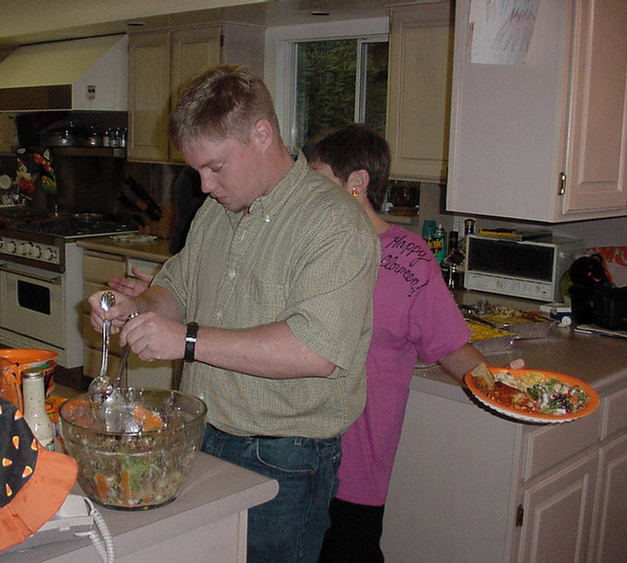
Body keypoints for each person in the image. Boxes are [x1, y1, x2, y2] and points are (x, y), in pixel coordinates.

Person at [89, 65, 378, 563]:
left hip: (284, 456)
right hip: (202, 434)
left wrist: (186, 340)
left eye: (216, 167)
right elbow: (177, 288)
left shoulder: (334, 223)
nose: (204, 184)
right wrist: (138, 309)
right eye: (198, 169)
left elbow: (313, 351)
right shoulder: (219, 211)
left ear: (262, 135)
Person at [302, 124, 521, 563]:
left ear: (356, 184)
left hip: (360, 461)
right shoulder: (306, 246)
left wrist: (497, 386)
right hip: (293, 451)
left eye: (315, 178)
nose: (304, 191)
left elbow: (451, 346)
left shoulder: (411, 258)